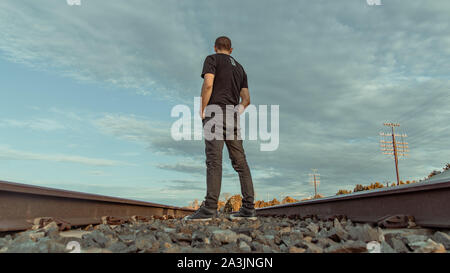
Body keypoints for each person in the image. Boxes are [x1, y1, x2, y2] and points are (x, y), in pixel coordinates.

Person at [184, 36, 256, 221]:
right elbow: (246, 99)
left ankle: (209, 209)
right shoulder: (240, 68)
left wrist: (202, 110)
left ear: (215, 47)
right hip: (232, 114)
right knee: (241, 162)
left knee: (214, 160)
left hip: (214, 111)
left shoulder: (212, 59)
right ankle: (248, 209)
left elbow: (208, 84)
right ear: (231, 49)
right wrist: (235, 112)